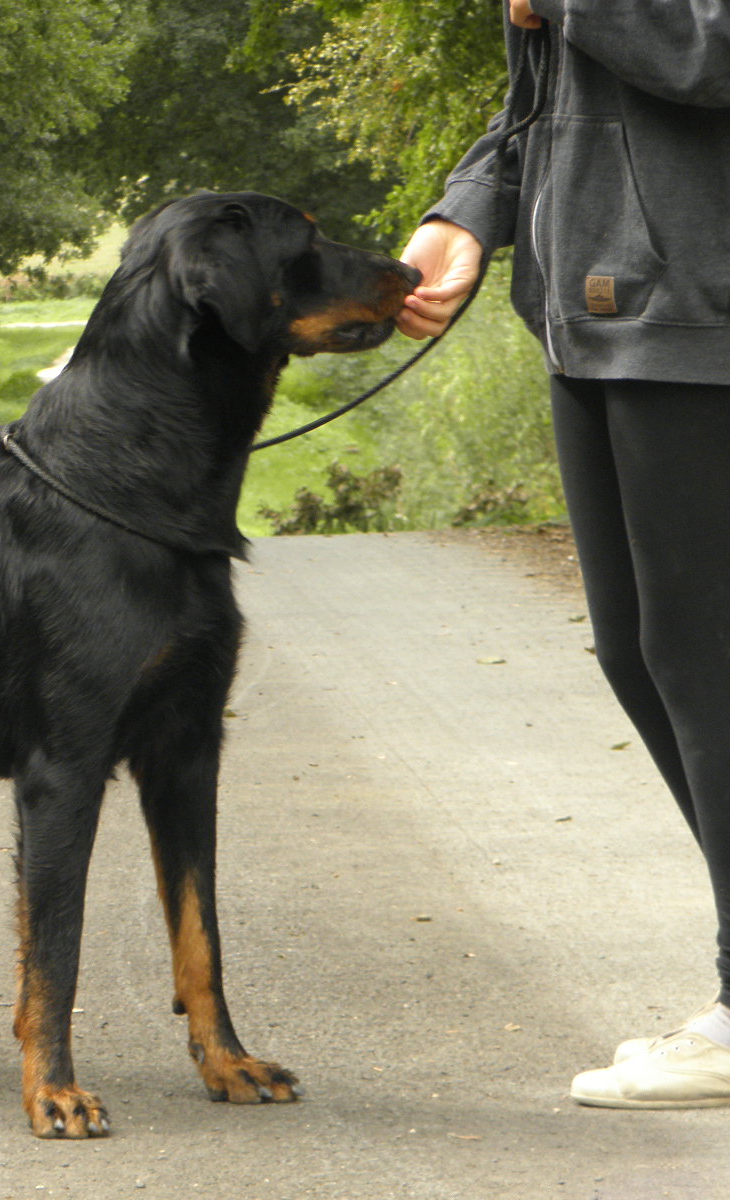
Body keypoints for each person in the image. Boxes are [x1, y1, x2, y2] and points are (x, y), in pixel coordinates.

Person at [399, 0, 730, 1108]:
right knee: (638, 656)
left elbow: (709, 46)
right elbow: (542, 99)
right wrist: (469, 210)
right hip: (589, 306)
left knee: (708, 664)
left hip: (701, 315)